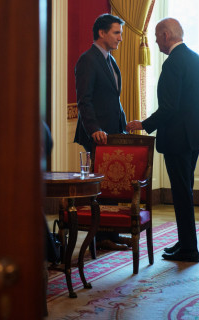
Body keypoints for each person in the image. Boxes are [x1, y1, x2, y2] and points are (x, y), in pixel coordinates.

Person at [127, 18, 199, 263]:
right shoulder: (197, 59)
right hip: (194, 136)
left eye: (156, 35)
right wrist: (193, 120)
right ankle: (186, 242)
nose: (154, 41)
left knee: (181, 192)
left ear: (166, 35)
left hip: (177, 138)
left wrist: (143, 125)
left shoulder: (173, 63)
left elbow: (168, 108)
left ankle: (189, 249)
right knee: (185, 190)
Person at [74, 13, 130, 250]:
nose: (120, 38)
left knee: (112, 185)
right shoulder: (88, 60)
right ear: (102, 33)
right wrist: (94, 128)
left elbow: (113, 99)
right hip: (97, 134)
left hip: (114, 131)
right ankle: (101, 237)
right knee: (102, 187)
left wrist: (123, 124)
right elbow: (84, 99)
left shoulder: (110, 59)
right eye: (116, 33)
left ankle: (112, 235)